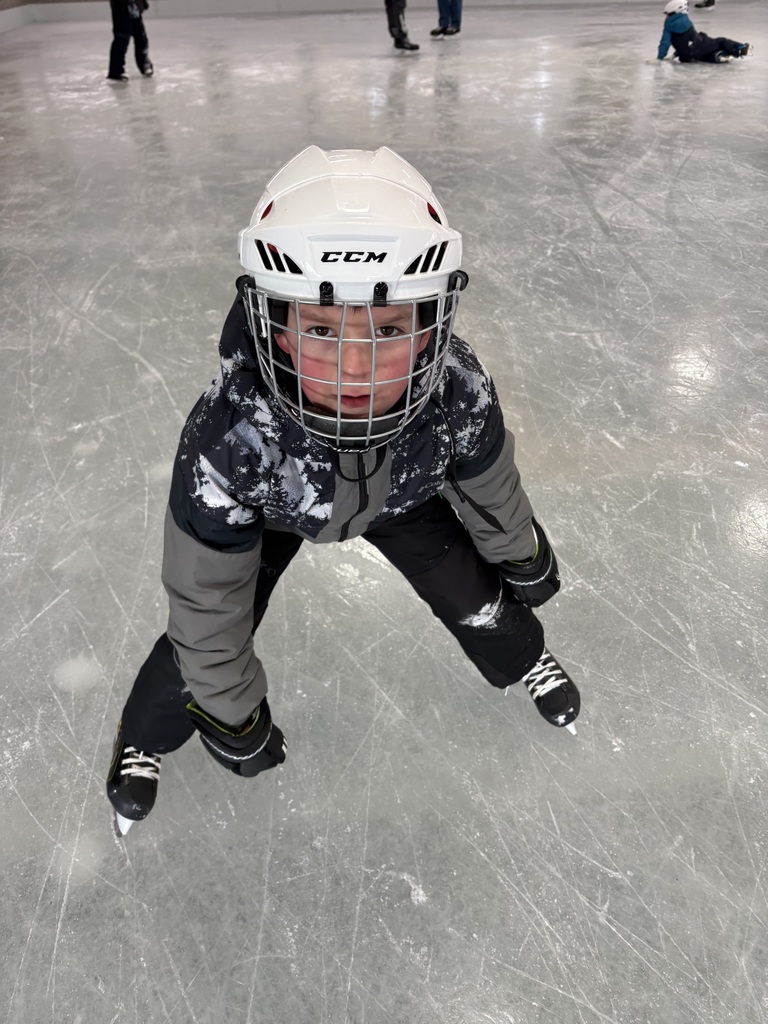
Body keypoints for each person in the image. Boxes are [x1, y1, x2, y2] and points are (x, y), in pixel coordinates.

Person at [106, 145, 581, 836]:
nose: (353, 365)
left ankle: (526, 656)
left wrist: (520, 554)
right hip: (279, 511)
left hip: (402, 496)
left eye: (388, 328)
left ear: (432, 325)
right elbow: (206, 599)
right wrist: (232, 713)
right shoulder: (234, 437)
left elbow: (488, 481)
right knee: (199, 647)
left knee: (478, 596)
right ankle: (143, 736)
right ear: (274, 324)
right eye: (322, 328)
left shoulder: (456, 390)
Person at [657, 0, 751, 63]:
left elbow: (671, 43)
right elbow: (689, 40)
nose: (666, 16)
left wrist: (663, 57)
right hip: (700, 44)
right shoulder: (686, 20)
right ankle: (740, 48)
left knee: (701, 56)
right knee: (720, 41)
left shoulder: (668, 26)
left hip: (686, 56)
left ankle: (716, 57)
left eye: (668, 14)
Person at [107, 0, 153, 83]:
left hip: (135, 8)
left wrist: (143, 3)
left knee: (141, 38)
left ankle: (144, 64)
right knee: (121, 40)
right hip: (121, 9)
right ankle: (116, 71)